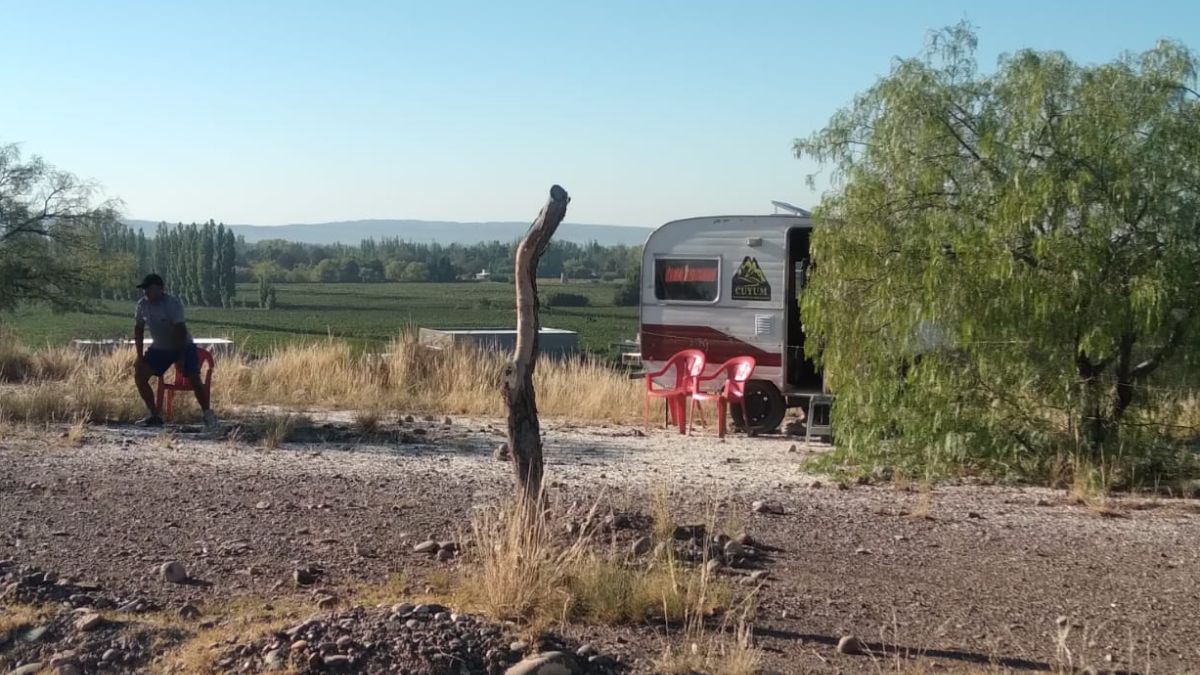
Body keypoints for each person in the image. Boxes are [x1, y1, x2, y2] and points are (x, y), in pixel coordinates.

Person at [131, 273, 217, 428]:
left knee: (194, 378)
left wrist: (181, 358)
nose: (146, 292)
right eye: (144, 289)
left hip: (183, 345)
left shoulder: (172, 304)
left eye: (149, 288)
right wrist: (139, 357)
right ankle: (154, 415)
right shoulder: (142, 305)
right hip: (160, 348)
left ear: (160, 289)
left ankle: (208, 415)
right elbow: (138, 330)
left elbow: (180, 331)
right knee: (140, 374)